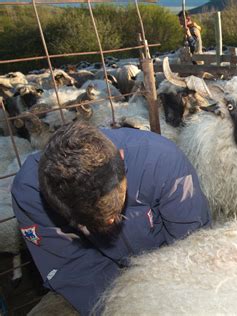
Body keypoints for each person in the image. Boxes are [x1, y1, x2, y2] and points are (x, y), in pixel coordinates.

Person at [12, 121, 211, 315]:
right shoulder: (30, 193)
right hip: (103, 275)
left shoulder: (162, 161)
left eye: (117, 211)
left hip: (169, 266)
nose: (110, 224)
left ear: (122, 160)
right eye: (86, 224)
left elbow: (190, 245)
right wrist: (121, 307)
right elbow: (72, 269)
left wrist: (166, 298)